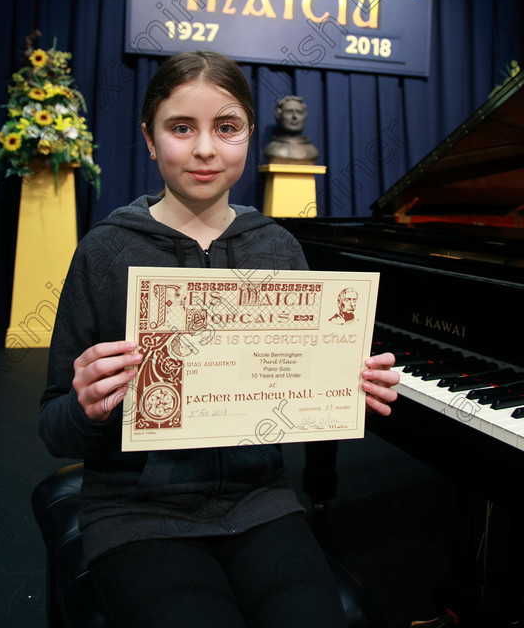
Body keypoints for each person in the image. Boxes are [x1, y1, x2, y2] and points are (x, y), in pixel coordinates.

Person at [38, 50, 399, 628]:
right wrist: (84, 406)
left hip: (261, 501)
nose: (206, 148)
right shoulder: (103, 252)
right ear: (150, 139)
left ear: (249, 136)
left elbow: (303, 397)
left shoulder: (279, 249)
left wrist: (349, 388)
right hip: (136, 510)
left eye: (226, 128)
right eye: (182, 127)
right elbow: (53, 424)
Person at [263, 95, 319, 163]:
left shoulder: (311, 151)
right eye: (289, 112)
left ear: (305, 116)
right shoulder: (272, 150)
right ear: (278, 115)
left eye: (299, 112)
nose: (294, 117)